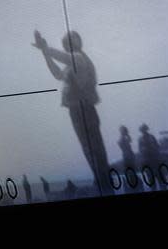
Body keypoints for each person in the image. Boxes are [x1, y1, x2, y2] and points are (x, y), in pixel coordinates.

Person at [31, 30, 113, 195]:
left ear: (77, 42)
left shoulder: (78, 57)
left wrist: (45, 48)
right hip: (77, 109)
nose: (66, 44)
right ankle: (102, 183)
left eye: (70, 41)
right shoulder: (71, 63)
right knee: (90, 148)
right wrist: (45, 54)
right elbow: (57, 74)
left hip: (83, 108)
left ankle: (104, 185)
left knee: (93, 148)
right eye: (65, 42)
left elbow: (65, 58)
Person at [138, 124, 165, 190]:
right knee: (152, 182)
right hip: (147, 161)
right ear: (141, 131)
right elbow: (140, 150)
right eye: (142, 130)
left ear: (146, 129)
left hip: (155, 160)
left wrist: (155, 150)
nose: (144, 131)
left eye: (145, 129)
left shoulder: (152, 137)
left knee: (161, 180)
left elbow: (157, 146)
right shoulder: (140, 139)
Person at [118, 126, 143, 193]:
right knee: (130, 171)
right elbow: (123, 144)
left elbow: (129, 140)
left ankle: (133, 184)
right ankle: (132, 184)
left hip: (129, 156)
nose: (126, 132)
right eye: (124, 131)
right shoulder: (122, 138)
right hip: (127, 157)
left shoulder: (124, 138)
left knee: (132, 171)